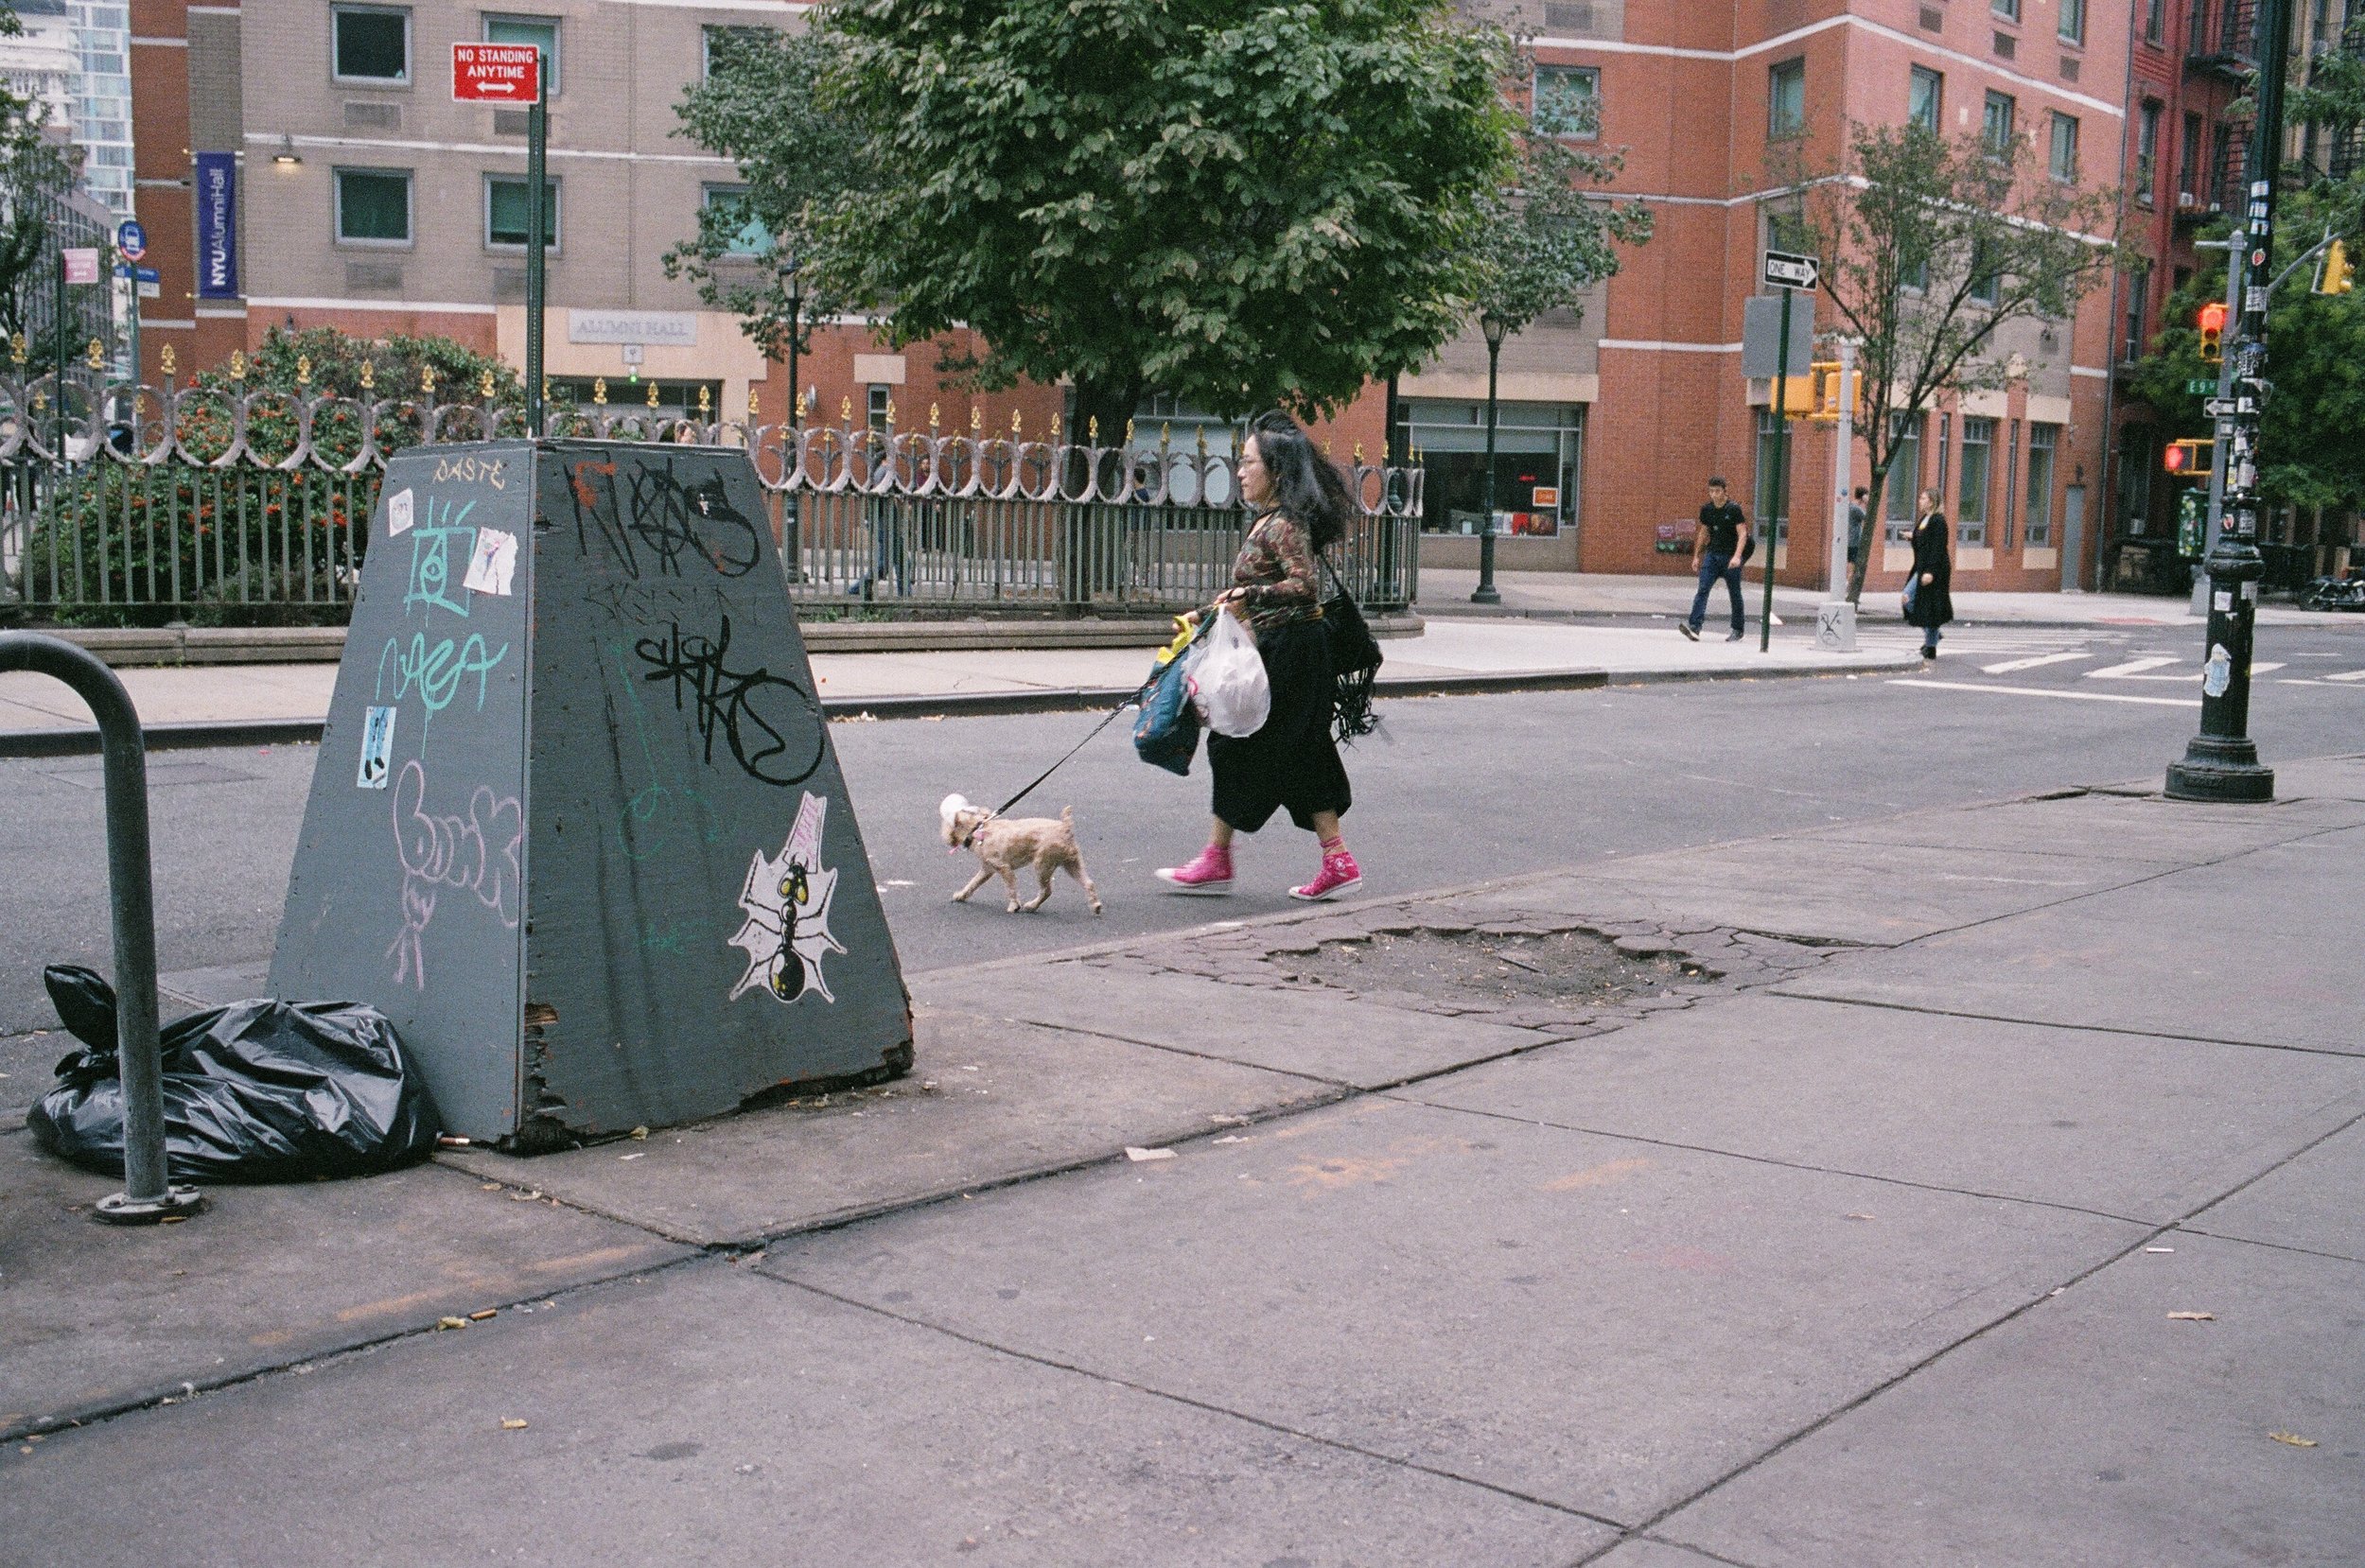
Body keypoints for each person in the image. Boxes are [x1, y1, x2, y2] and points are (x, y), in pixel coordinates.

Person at [1157, 410, 1359, 901]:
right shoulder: (1270, 521)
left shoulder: (1284, 525)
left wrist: (1249, 599)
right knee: (1297, 750)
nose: (1241, 471)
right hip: (1283, 648)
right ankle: (1334, 859)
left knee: (1241, 743)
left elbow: (1303, 585)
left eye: (1249, 462)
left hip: (1294, 652)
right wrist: (1210, 611)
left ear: (1277, 471)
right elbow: (1258, 589)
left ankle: (1219, 858)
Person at [1680, 478, 1750, 642]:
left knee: (1735, 593)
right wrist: (1696, 556)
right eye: (1711, 491)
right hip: (1712, 555)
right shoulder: (1707, 509)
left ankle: (1737, 629)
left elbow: (1742, 534)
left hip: (1730, 557)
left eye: (1717, 491)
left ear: (1725, 491)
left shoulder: (1733, 509)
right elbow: (1704, 533)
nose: (1714, 495)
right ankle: (1695, 626)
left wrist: (1737, 556)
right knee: (1703, 589)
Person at [1906, 487, 1954, 660]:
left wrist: (1931, 572)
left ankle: (1931, 645)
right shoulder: (1925, 519)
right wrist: (1912, 536)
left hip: (1934, 569)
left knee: (1926, 604)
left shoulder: (1938, 521)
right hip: (1922, 566)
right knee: (1911, 601)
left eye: (1923, 498)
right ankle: (1934, 635)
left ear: (1931, 501)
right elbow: (1925, 538)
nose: (1920, 500)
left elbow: (1937, 547)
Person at [1847, 487, 1868, 566]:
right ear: (1863, 496)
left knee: (1849, 561)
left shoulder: (1849, 505)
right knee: (1855, 563)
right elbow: (1867, 518)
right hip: (1854, 541)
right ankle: (1852, 579)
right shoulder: (1856, 509)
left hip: (1849, 539)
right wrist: (1866, 503)